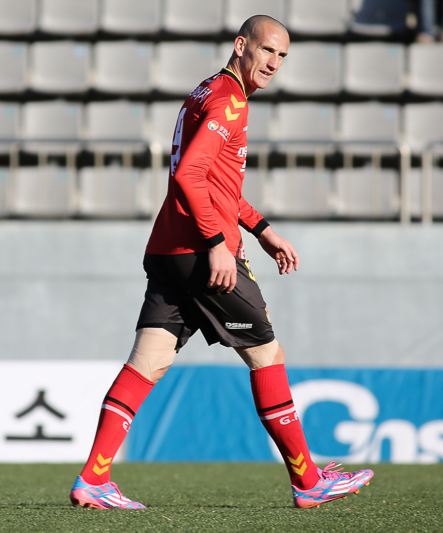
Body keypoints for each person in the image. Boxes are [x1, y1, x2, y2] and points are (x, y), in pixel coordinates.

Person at [69, 15, 374, 511]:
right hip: (204, 253)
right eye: (267, 50)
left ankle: (94, 478)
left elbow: (216, 183)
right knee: (267, 356)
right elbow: (190, 174)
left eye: (282, 56)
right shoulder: (229, 101)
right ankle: (308, 480)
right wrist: (217, 242)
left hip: (168, 250)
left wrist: (262, 229)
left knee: (147, 361)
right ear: (241, 45)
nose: (274, 63)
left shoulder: (208, 91)